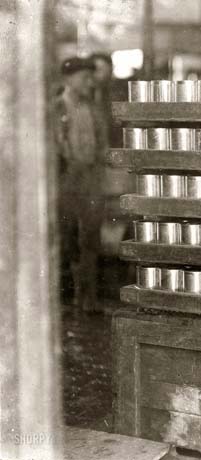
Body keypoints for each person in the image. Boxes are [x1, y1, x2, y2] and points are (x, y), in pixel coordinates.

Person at [52, 57, 105, 312]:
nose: (89, 82)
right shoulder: (57, 108)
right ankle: (65, 300)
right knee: (66, 238)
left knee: (91, 238)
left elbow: (101, 143)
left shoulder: (93, 108)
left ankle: (89, 298)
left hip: (91, 179)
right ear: (68, 79)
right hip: (66, 181)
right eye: (84, 77)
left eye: (90, 77)